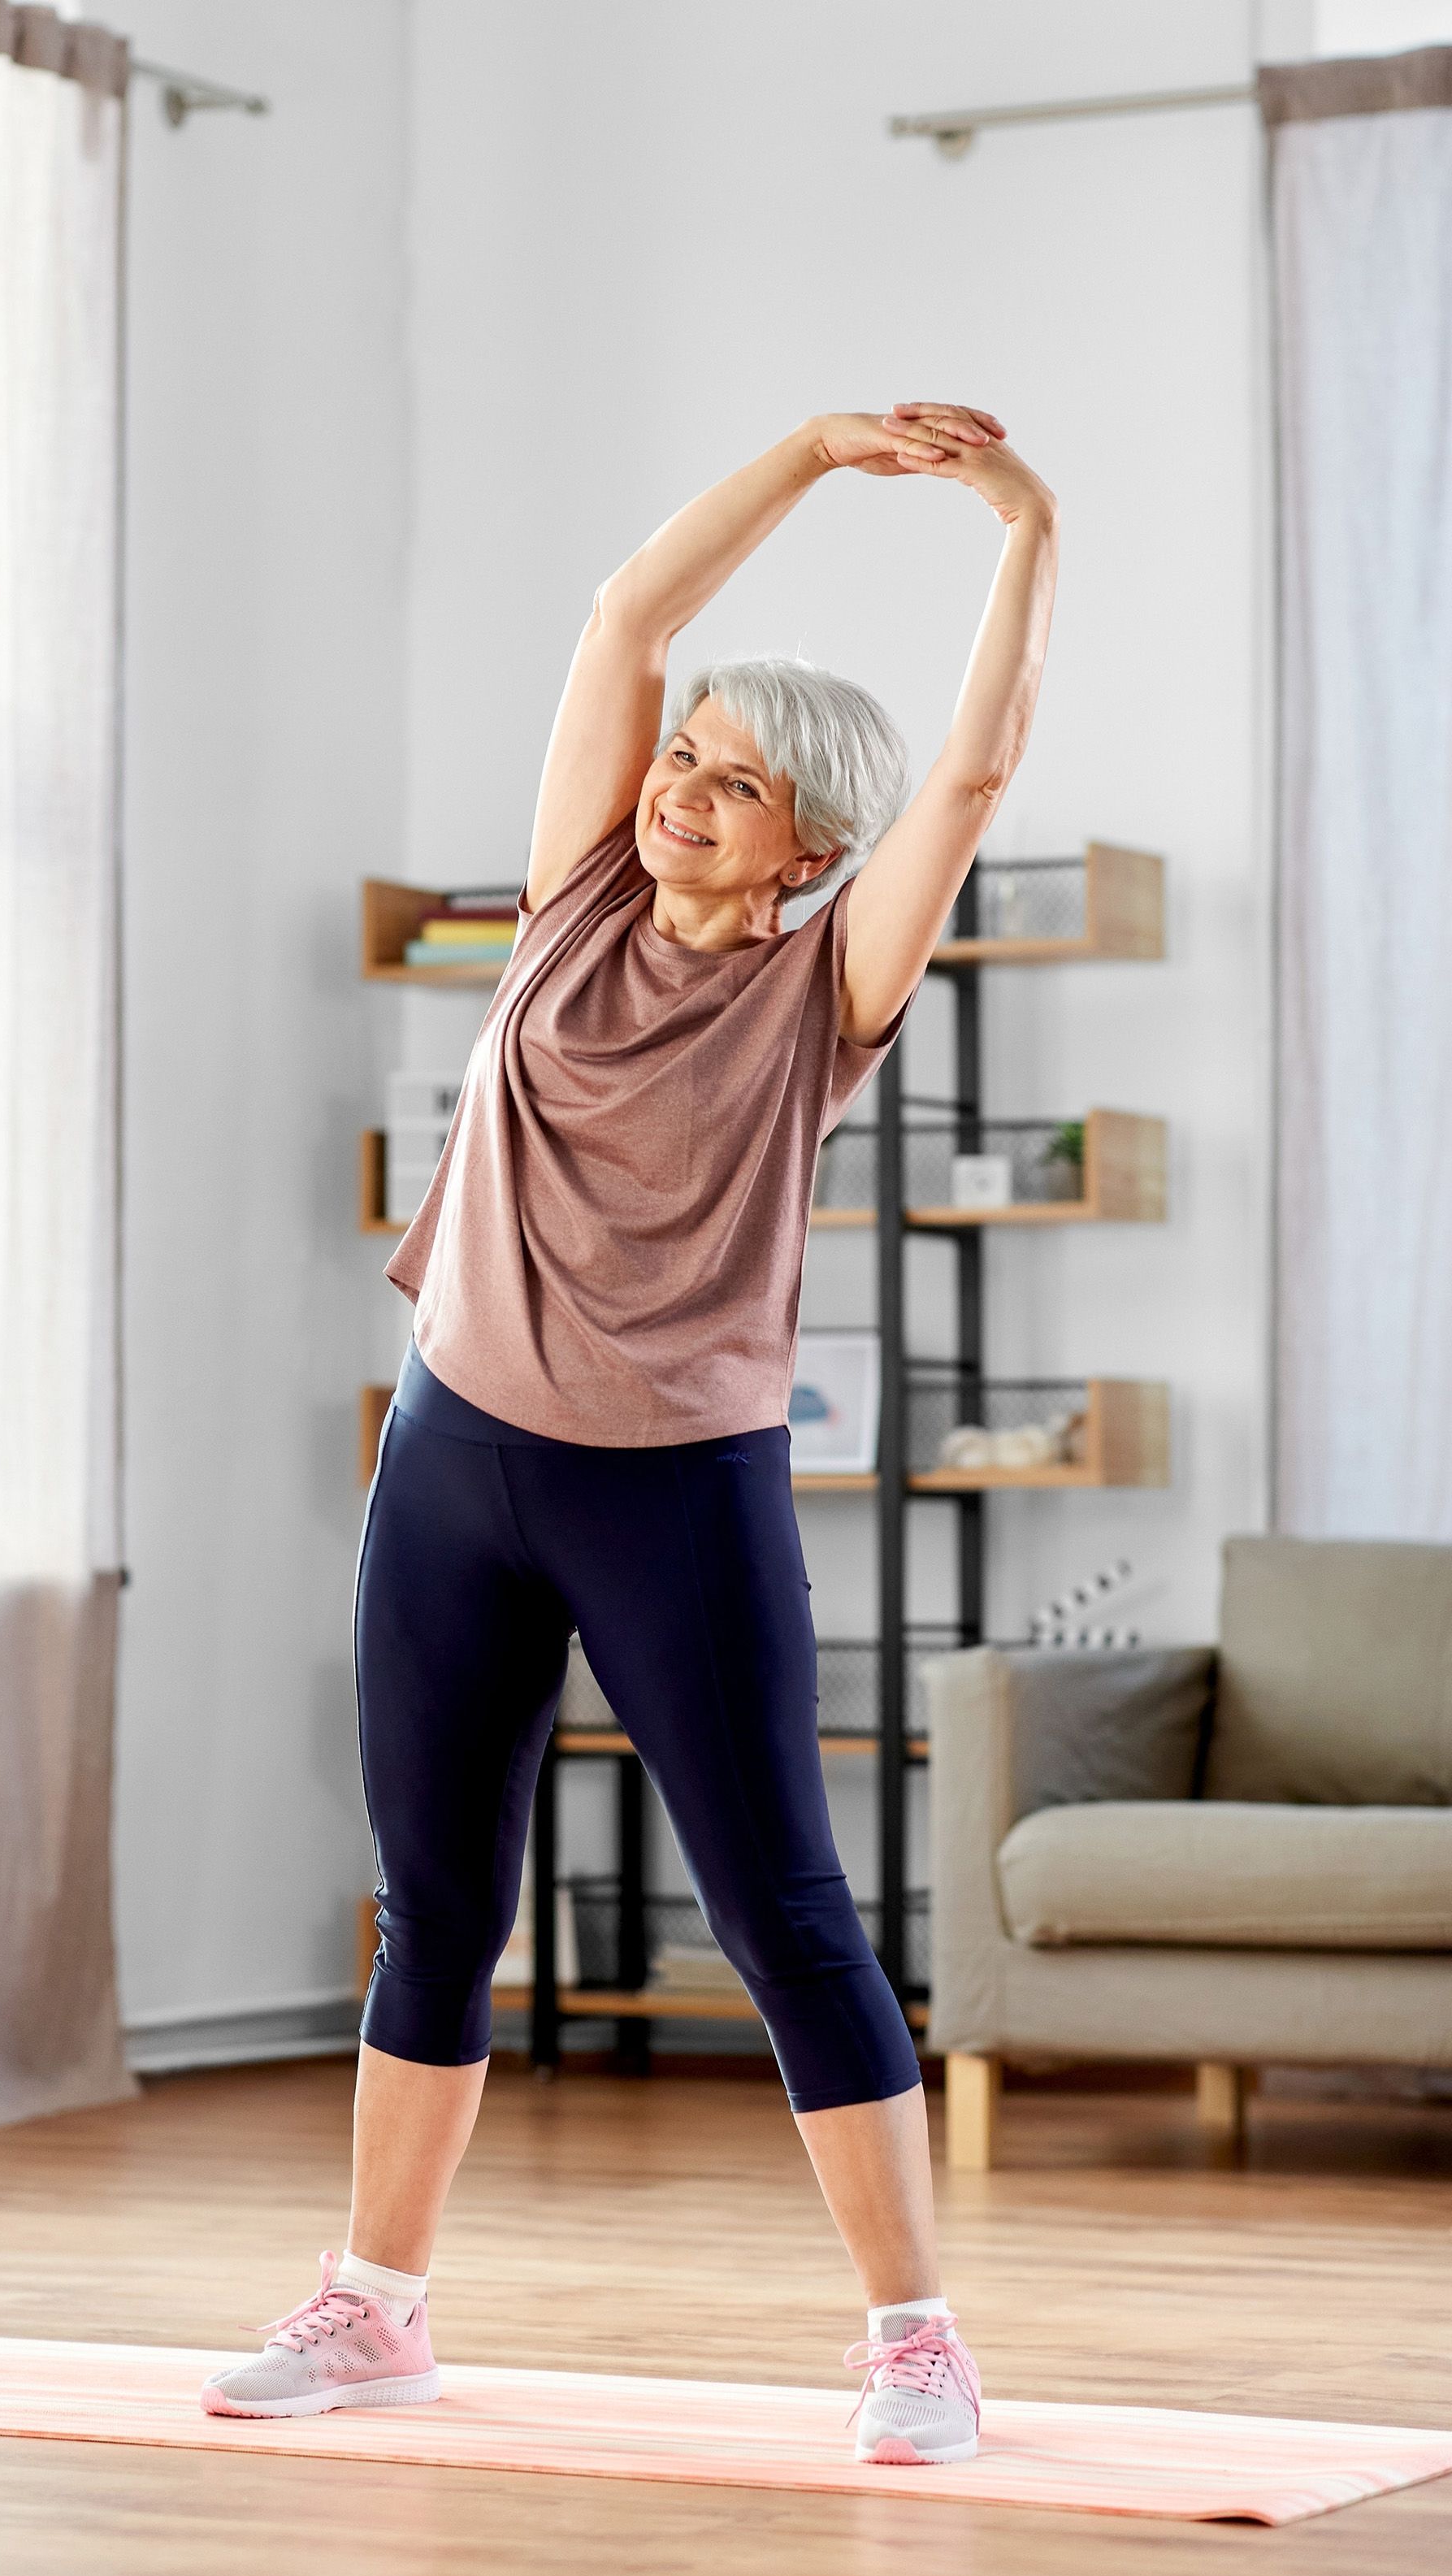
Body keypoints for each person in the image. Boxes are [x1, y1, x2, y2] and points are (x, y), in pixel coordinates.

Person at [203, 403, 1059, 2461]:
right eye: (685, 756)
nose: (684, 790)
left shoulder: (824, 997)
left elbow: (975, 768)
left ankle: (916, 2336)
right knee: (438, 1900)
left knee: (785, 1911)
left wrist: (1020, 522)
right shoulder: (570, 899)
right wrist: (811, 454)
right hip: (454, 1465)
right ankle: (376, 2303)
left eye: (738, 782)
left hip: (675, 1490)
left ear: (809, 852)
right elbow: (628, 612)